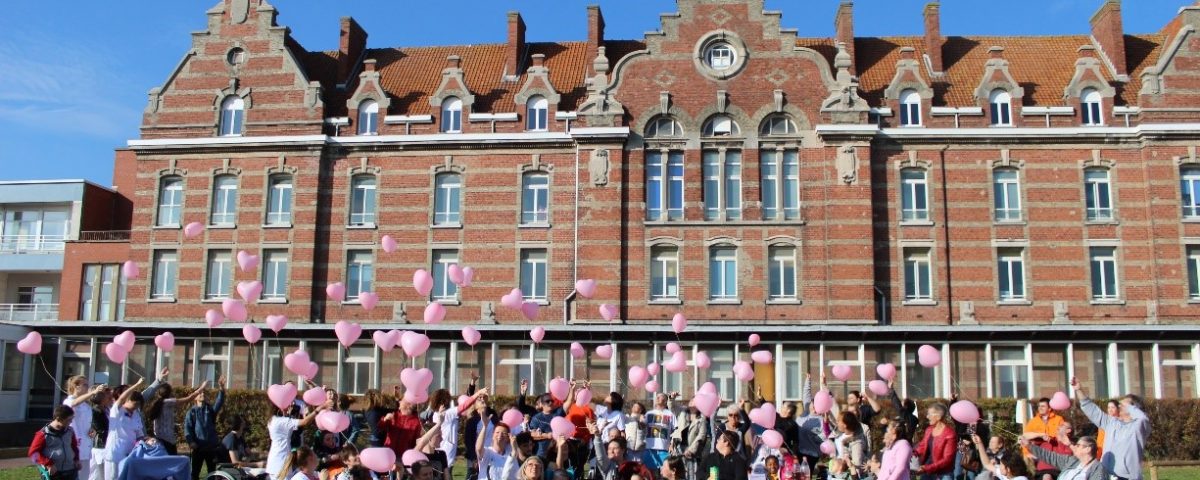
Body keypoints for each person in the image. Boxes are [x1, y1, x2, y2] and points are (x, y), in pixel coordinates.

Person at [1072, 377, 1150, 480]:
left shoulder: (1138, 426)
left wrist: (1130, 406)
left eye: (1123, 404)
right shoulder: (1112, 422)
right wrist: (1078, 390)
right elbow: (1092, 410)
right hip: (1105, 475)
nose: (1120, 406)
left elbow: (1143, 418)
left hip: (1127, 477)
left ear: (1134, 408)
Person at [144, 368, 205, 455]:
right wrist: (201, 388)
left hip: (160, 438)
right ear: (168, 393)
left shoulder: (158, 403)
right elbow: (189, 398)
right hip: (167, 440)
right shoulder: (167, 402)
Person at [62, 376, 104, 480]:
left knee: (85, 476)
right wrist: (93, 393)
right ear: (76, 386)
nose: (87, 387)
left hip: (86, 444)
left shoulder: (86, 405)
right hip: (74, 444)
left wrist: (92, 431)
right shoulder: (69, 401)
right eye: (84, 385)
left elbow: (88, 423)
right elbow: (74, 404)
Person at [184, 376, 225, 480]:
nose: (202, 394)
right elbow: (187, 428)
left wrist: (221, 389)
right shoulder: (191, 412)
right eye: (200, 393)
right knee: (195, 472)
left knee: (212, 472)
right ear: (195, 398)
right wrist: (191, 442)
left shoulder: (210, 410)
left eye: (204, 393)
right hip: (198, 447)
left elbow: (219, 403)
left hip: (211, 446)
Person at [267, 403, 324, 478]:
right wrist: (321, 407)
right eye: (288, 403)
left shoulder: (275, 419)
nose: (291, 405)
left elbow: (296, 431)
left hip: (283, 461)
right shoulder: (279, 421)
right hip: (280, 462)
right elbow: (304, 421)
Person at [105, 378, 146, 479]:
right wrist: (136, 384)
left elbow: (139, 434)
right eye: (135, 404)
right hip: (115, 454)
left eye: (138, 405)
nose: (136, 407)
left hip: (129, 455)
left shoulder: (136, 414)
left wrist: (147, 441)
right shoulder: (117, 410)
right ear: (128, 400)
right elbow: (121, 399)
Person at [1020, 435, 1105, 480]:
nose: (1075, 446)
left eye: (1078, 445)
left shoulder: (1097, 469)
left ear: (1088, 449)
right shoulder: (1072, 461)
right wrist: (1029, 446)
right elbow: (1050, 456)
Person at [30, 406, 81, 480]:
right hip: (54, 473)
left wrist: (77, 459)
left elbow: (74, 447)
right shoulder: (43, 434)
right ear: (58, 419)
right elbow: (33, 453)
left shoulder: (70, 431)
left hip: (71, 471)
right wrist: (48, 464)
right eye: (68, 420)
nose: (71, 422)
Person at [1022, 397, 1064, 480]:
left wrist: (1050, 437)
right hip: (1032, 454)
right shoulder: (1033, 421)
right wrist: (1040, 435)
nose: (1040, 408)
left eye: (1043, 406)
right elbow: (1025, 435)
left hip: (1051, 454)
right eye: (1039, 406)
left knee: (1047, 476)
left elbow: (1062, 435)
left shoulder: (1058, 419)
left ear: (1049, 408)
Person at [912, 403, 956, 480]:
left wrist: (927, 468)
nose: (927, 416)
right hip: (927, 472)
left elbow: (947, 460)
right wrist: (912, 453)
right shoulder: (929, 430)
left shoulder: (950, 434)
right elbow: (922, 446)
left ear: (938, 416)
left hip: (943, 474)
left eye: (929, 414)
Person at [477, 410, 517, 480]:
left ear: (508, 438)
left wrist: (514, 447)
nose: (500, 435)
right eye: (497, 432)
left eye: (504, 433)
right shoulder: (487, 452)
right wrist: (485, 426)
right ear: (492, 435)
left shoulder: (510, 456)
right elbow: (478, 448)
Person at [644, 393, 677, 470]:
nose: (657, 398)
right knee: (649, 474)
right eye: (657, 397)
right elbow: (642, 428)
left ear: (665, 401)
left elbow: (676, 431)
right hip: (649, 449)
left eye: (660, 397)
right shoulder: (649, 414)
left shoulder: (670, 414)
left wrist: (672, 443)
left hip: (664, 450)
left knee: (665, 474)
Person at [831, 411, 867, 479]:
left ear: (845, 425)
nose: (837, 422)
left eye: (838, 421)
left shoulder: (857, 443)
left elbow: (857, 468)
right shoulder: (843, 437)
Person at [88, 388, 113, 480]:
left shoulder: (106, 409)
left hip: (107, 444)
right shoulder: (96, 411)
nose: (109, 396)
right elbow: (100, 428)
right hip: (101, 445)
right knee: (101, 474)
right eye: (106, 395)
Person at [529, 392, 565, 458]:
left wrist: (572, 390)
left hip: (556, 452)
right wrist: (546, 435)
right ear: (542, 404)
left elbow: (569, 403)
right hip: (541, 453)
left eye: (552, 401)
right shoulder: (536, 418)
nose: (550, 403)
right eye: (547, 401)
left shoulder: (558, 413)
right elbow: (532, 434)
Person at [682, 406, 710, 480]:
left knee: (691, 475)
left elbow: (702, 435)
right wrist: (671, 398)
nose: (692, 404)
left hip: (692, 453)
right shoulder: (683, 415)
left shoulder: (701, 420)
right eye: (691, 401)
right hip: (679, 451)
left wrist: (691, 450)